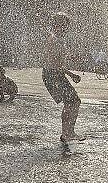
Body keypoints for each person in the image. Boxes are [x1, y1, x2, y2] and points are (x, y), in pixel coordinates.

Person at [42, 12, 83, 142]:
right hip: (53, 75)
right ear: (58, 25)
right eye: (64, 25)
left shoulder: (56, 39)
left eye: (67, 26)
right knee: (73, 101)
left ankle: (67, 133)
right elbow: (54, 64)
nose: (66, 28)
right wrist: (71, 75)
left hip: (53, 74)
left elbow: (56, 62)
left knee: (71, 102)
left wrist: (69, 60)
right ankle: (67, 133)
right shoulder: (54, 40)